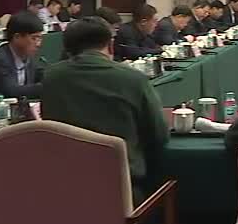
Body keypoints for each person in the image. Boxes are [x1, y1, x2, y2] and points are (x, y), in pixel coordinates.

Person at [41, 17, 168, 207]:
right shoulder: (133, 79)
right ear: (110, 45)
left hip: (66, 190)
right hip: (123, 191)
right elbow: (159, 134)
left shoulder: (52, 77)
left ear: (67, 48)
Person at [0, 13, 46, 99]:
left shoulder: (28, 57)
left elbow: (41, 75)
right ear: (17, 37)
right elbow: (11, 91)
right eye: (34, 38)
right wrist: (45, 86)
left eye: (40, 38)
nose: (38, 44)